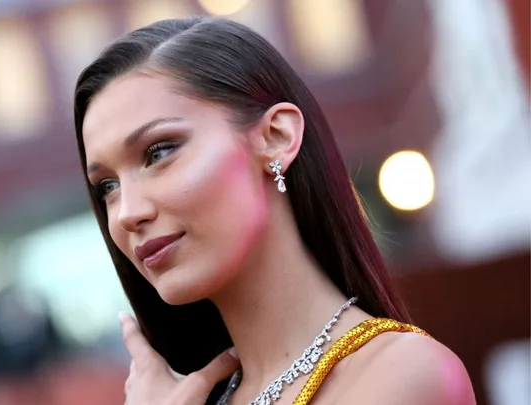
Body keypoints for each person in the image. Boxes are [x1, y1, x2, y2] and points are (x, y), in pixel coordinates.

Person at [73, 16, 475, 405]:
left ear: (276, 137)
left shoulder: (401, 373)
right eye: (108, 186)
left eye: (158, 152)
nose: (126, 213)